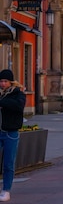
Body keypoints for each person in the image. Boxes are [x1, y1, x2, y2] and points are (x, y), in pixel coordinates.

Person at [0, 69, 26, 202]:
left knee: (8, 164)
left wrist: (2, 103)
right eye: (1, 81)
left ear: (11, 82)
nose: (3, 84)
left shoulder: (18, 93)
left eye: (5, 81)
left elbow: (18, 106)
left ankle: (6, 190)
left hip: (11, 133)